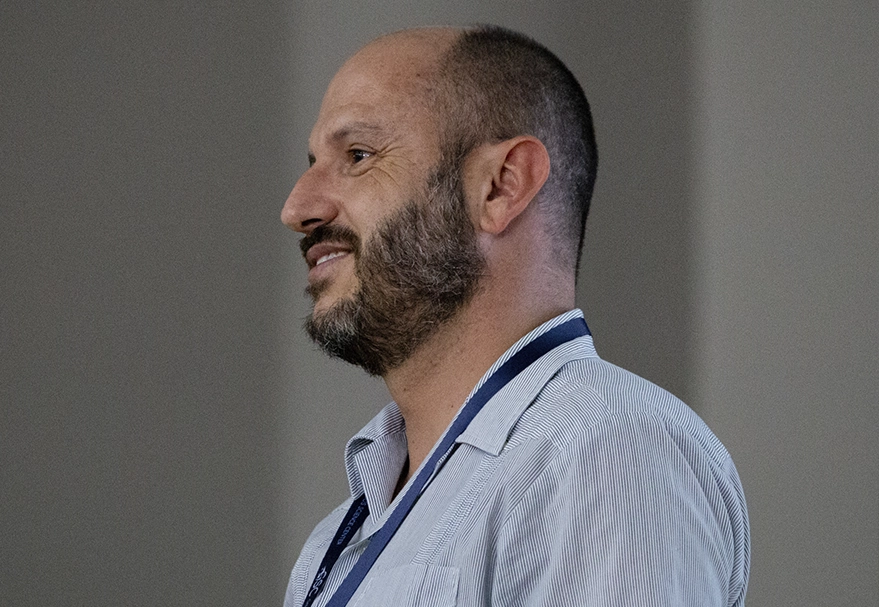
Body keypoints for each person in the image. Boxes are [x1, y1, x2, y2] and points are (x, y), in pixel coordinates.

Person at [280, 25, 750, 607]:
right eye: (313, 163)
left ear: (501, 187)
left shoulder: (604, 455)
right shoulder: (337, 538)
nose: (296, 208)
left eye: (358, 156)